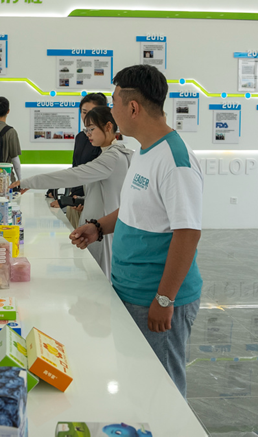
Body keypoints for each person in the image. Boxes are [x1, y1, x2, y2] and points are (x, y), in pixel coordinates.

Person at [70, 65, 203, 397]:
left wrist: (164, 299)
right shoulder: (144, 151)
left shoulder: (175, 161)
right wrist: (98, 227)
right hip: (130, 290)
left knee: (162, 391)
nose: (111, 110)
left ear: (132, 107)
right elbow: (134, 209)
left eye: (113, 102)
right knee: (136, 383)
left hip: (154, 297)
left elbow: (188, 234)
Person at [11, 106, 132, 279]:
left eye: (91, 129)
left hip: (102, 231)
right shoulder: (119, 154)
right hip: (102, 228)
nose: (88, 134)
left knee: (100, 281)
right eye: (86, 130)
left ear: (108, 126)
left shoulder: (112, 157)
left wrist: (28, 182)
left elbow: (73, 176)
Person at [48, 93, 107, 227]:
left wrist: (79, 199)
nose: (87, 116)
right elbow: (75, 169)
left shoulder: (103, 141)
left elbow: (96, 175)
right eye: (84, 112)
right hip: (74, 203)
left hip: (95, 205)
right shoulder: (80, 137)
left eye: (91, 112)